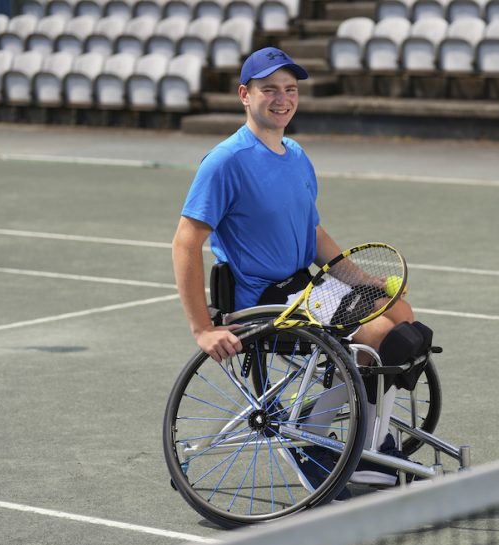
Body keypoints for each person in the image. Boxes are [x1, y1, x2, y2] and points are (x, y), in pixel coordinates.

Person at [172, 47, 426, 490]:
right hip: (265, 300)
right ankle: (322, 438)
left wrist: (365, 284)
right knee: (381, 339)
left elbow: (313, 235)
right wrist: (202, 329)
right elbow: (185, 244)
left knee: (404, 320)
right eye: (269, 89)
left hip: (304, 288)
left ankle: (350, 433)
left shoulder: (296, 154)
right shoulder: (225, 161)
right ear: (244, 95)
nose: (282, 98)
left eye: (290, 89)